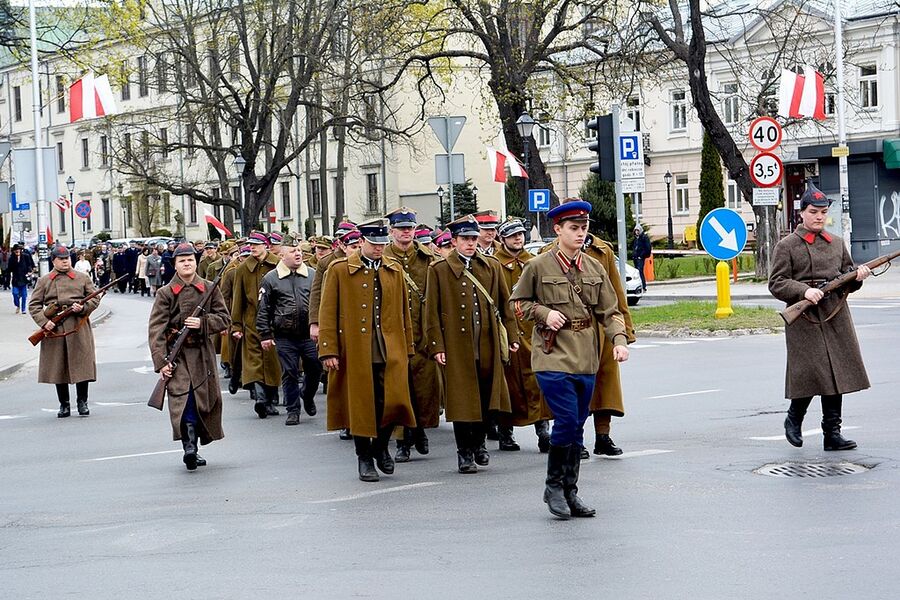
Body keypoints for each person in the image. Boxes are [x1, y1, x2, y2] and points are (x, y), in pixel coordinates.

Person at [510, 199, 630, 520]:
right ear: (558, 229)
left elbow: (610, 310)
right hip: (551, 356)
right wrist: (544, 313)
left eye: (584, 227)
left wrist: (619, 341)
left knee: (577, 424)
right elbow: (518, 305)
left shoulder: (594, 268)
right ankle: (553, 487)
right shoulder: (538, 267)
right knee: (565, 419)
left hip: (586, 356)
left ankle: (570, 490)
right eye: (573, 228)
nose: (580, 233)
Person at [769, 180, 871, 451]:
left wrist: (858, 277)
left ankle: (832, 434)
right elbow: (777, 282)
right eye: (814, 212)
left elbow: (848, 277)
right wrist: (804, 291)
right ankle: (794, 418)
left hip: (835, 315)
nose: (819, 217)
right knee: (811, 374)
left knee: (837, 373)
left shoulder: (836, 243)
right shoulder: (787, 245)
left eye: (823, 212)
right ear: (802, 213)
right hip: (805, 319)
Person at [318, 219, 417, 482]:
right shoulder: (339, 270)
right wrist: (328, 350)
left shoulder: (393, 269)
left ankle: (381, 446)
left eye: (383, 244)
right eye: (374, 244)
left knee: (393, 401)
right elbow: (327, 312)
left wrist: (407, 348)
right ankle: (364, 457)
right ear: (361, 242)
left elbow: (403, 313)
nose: (378, 249)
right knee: (361, 406)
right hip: (355, 348)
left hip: (389, 347)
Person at [425, 215, 519, 474]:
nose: (470, 244)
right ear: (454, 241)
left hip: (487, 343)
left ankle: (479, 444)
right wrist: (437, 346)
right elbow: (431, 312)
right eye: (465, 239)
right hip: (457, 346)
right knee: (462, 400)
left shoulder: (491, 266)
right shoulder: (439, 270)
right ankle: (464, 452)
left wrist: (512, 337)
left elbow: (504, 304)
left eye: (473, 239)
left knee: (487, 397)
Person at [148, 243, 230, 470]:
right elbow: (156, 330)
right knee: (183, 400)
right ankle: (189, 448)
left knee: (204, 401)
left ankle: (195, 446)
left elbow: (224, 318)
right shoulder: (165, 293)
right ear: (175, 264)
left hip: (202, 354)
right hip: (178, 356)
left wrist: (202, 323)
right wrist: (162, 362)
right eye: (182, 260)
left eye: (191, 260)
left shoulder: (209, 288)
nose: (187, 263)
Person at [383, 207, 442, 461]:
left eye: (410, 228)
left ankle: (419, 430)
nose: (406, 233)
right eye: (401, 229)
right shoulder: (383, 257)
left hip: (423, 331)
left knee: (423, 387)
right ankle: (402, 440)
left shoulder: (428, 258)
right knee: (398, 388)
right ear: (392, 231)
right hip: (393, 332)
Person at [495, 217, 552, 452]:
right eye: (511, 235)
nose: (518, 238)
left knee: (539, 383)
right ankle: (506, 432)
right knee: (507, 385)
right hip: (506, 332)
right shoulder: (493, 263)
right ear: (502, 239)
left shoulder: (535, 262)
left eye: (520, 234)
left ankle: (543, 431)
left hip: (533, 331)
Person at [28, 245, 102, 418]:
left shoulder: (82, 278)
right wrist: (45, 322)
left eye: (67, 258)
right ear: (53, 260)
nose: (65, 261)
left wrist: (82, 308)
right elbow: (34, 305)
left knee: (82, 365)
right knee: (58, 366)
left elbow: (95, 299)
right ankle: (64, 405)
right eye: (61, 259)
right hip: (55, 328)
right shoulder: (44, 280)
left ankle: (82, 402)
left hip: (78, 326)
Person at [256, 234, 322, 426]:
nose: (298, 254)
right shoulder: (271, 278)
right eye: (293, 251)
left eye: (299, 250)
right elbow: (264, 308)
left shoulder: (312, 274)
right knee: (290, 372)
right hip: (284, 335)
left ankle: (307, 395)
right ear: (282, 255)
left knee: (315, 367)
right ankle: (293, 410)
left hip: (309, 333)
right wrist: (265, 334)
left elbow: (321, 303)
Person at [231, 232, 282, 417]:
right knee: (254, 361)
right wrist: (236, 326)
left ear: (266, 246)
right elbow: (238, 300)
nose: (252, 247)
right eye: (250, 244)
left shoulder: (278, 264)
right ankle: (261, 399)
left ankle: (270, 400)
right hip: (251, 321)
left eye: (257, 244)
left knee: (273, 361)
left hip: (275, 320)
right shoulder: (243, 268)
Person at [9, 244, 35, 314]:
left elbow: (29, 264)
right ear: (14, 251)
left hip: (24, 278)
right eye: (16, 251)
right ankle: (17, 305)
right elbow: (10, 268)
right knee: (15, 293)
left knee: (24, 295)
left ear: (20, 250)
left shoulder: (25, 256)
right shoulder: (11, 258)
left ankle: (23, 309)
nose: (17, 252)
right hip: (15, 279)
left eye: (18, 250)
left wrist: (30, 271)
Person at [631, 224, 651, 292]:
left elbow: (647, 248)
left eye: (638, 230)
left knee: (640, 271)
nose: (636, 232)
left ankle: (643, 286)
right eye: (635, 230)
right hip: (636, 257)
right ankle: (639, 286)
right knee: (637, 272)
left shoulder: (644, 238)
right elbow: (635, 248)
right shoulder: (636, 239)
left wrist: (641, 256)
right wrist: (634, 255)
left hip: (640, 258)